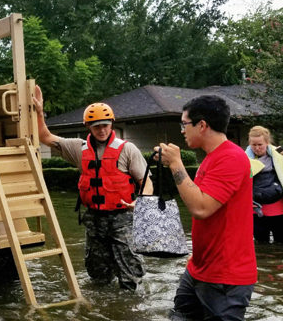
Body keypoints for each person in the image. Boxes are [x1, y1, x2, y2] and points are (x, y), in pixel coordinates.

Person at [32, 86, 152, 290]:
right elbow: (45, 137)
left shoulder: (127, 149)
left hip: (123, 217)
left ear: (112, 124)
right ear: (88, 127)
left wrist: (140, 201)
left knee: (130, 271)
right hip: (94, 219)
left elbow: (146, 181)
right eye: (96, 126)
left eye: (105, 125)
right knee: (97, 273)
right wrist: (39, 112)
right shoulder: (78, 148)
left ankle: (132, 307)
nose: (102, 130)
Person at [158, 95, 257, 321]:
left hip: (225, 277)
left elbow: (201, 208)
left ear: (202, 125)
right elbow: (198, 198)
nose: (182, 130)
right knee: (179, 316)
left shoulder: (231, 157)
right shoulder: (212, 158)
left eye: (184, 124)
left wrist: (175, 163)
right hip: (199, 268)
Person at [246, 125, 283, 243]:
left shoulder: (279, 156)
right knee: (261, 245)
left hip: (278, 209)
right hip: (256, 210)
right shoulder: (243, 159)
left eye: (260, 144)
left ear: (267, 143)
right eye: (254, 145)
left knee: (280, 245)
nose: (257, 148)